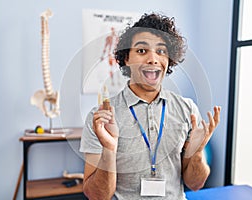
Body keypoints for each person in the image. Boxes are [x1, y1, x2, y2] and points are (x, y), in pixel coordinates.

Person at [80, 13, 221, 200]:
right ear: (126, 59)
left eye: (161, 51)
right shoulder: (101, 118)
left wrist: (197, 151)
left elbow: (195, 184)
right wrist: (109, 149)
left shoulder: (188, 110)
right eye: (141, 51)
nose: (153, 59)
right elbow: (97, 196)